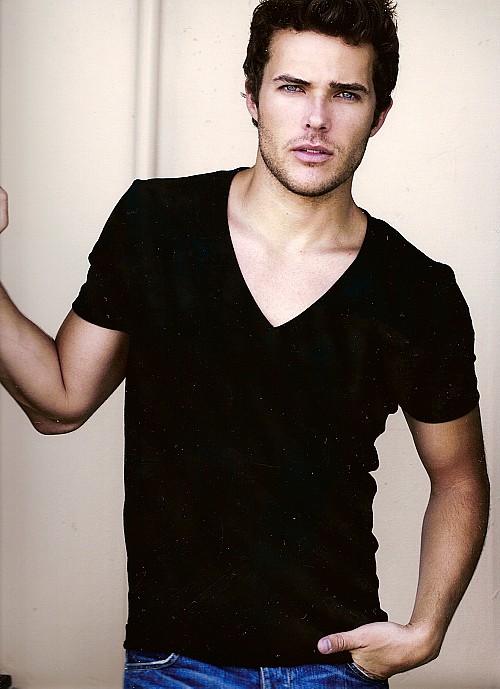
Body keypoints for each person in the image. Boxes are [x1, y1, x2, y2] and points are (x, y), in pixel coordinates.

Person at [0, 0, 490, 687]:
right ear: (253, 98)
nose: (316, 118)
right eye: (292, 87)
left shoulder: (418, 291)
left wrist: (427, 628)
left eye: (346, 93)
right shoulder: (156, 224)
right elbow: (58, 402)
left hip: (333, 666)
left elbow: (460, 473)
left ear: (379, 114)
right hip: (173, 666)